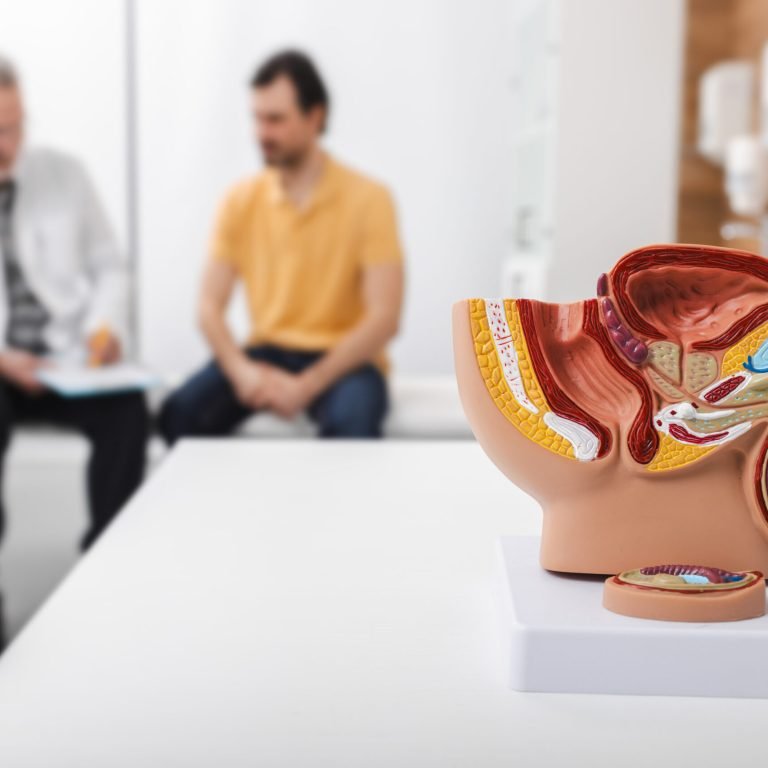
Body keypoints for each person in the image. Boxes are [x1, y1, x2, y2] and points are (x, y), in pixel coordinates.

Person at [159, 50, 405, 443]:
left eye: (275, 119)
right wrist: (242, 372)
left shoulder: (370, 199)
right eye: (257, 118)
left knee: (352, 426)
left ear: (315, 117)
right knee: (179, 414)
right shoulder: (239, 200)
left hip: (343, 361)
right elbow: (208, 307)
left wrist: (306, 385)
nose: (262, 132)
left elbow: (384, 318)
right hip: (266, 354)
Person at [0, 56, 149, 568]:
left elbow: (111, 266)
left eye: (16, 127)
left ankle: (105, 563)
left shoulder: (65, 175)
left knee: (128, 412)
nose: (8, 145)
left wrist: (103, 330)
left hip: (66, 361)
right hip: (0, 369)